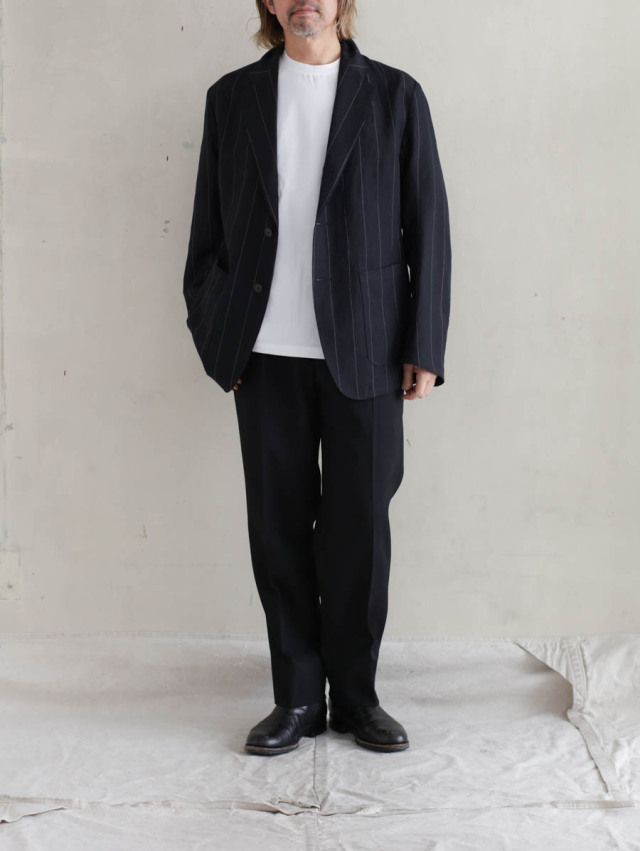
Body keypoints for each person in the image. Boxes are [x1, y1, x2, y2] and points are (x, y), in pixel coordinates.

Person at [182, 0, 451, 756]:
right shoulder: (231, 98)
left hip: (369, 350)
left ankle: (358, 698)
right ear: (269, 4)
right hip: (263, 355)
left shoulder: (395, 95)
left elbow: (429, 225)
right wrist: (220, 339)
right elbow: (207, 229)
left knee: (360, 527)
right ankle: (297, 697)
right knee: (277, 529)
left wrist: (425, 344)